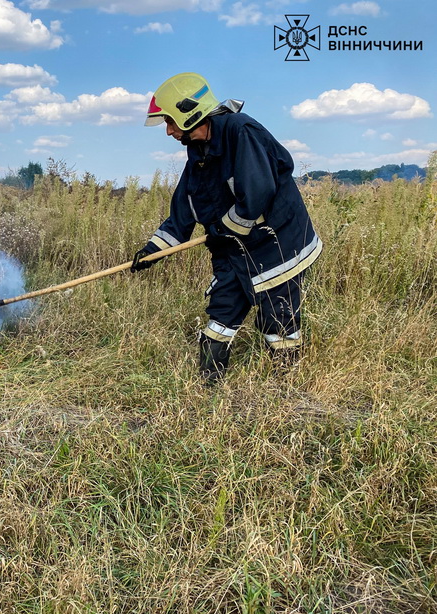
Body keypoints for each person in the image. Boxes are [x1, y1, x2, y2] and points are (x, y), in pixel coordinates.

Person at [131, 72, 322, 382]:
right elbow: (185, 209)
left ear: (188, 113)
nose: (167, 131)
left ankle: (286, 390)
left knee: (279, 321)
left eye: (170, 121)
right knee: (219, 318)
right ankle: (209, 389)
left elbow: (258, 192)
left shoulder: (240, 132)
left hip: (277, 247)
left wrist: (226, 227)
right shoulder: (199, 154)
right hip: (234, 251)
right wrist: (153, 251)